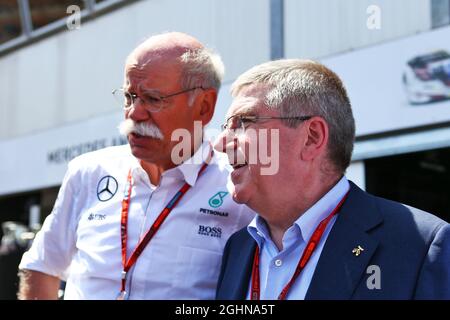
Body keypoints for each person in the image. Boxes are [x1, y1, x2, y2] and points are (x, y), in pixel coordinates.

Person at [18, 32, 255, 300]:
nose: (134, 113)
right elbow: (41, 265)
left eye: (153, 99)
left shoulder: (238, 187)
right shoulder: (88, 172)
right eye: (130, 96)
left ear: (204, 106)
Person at [214, 59, 450, 300]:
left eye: (242, 122)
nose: (220, 143)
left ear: (312, 138)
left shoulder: (420, 245)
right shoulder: (238, 248)